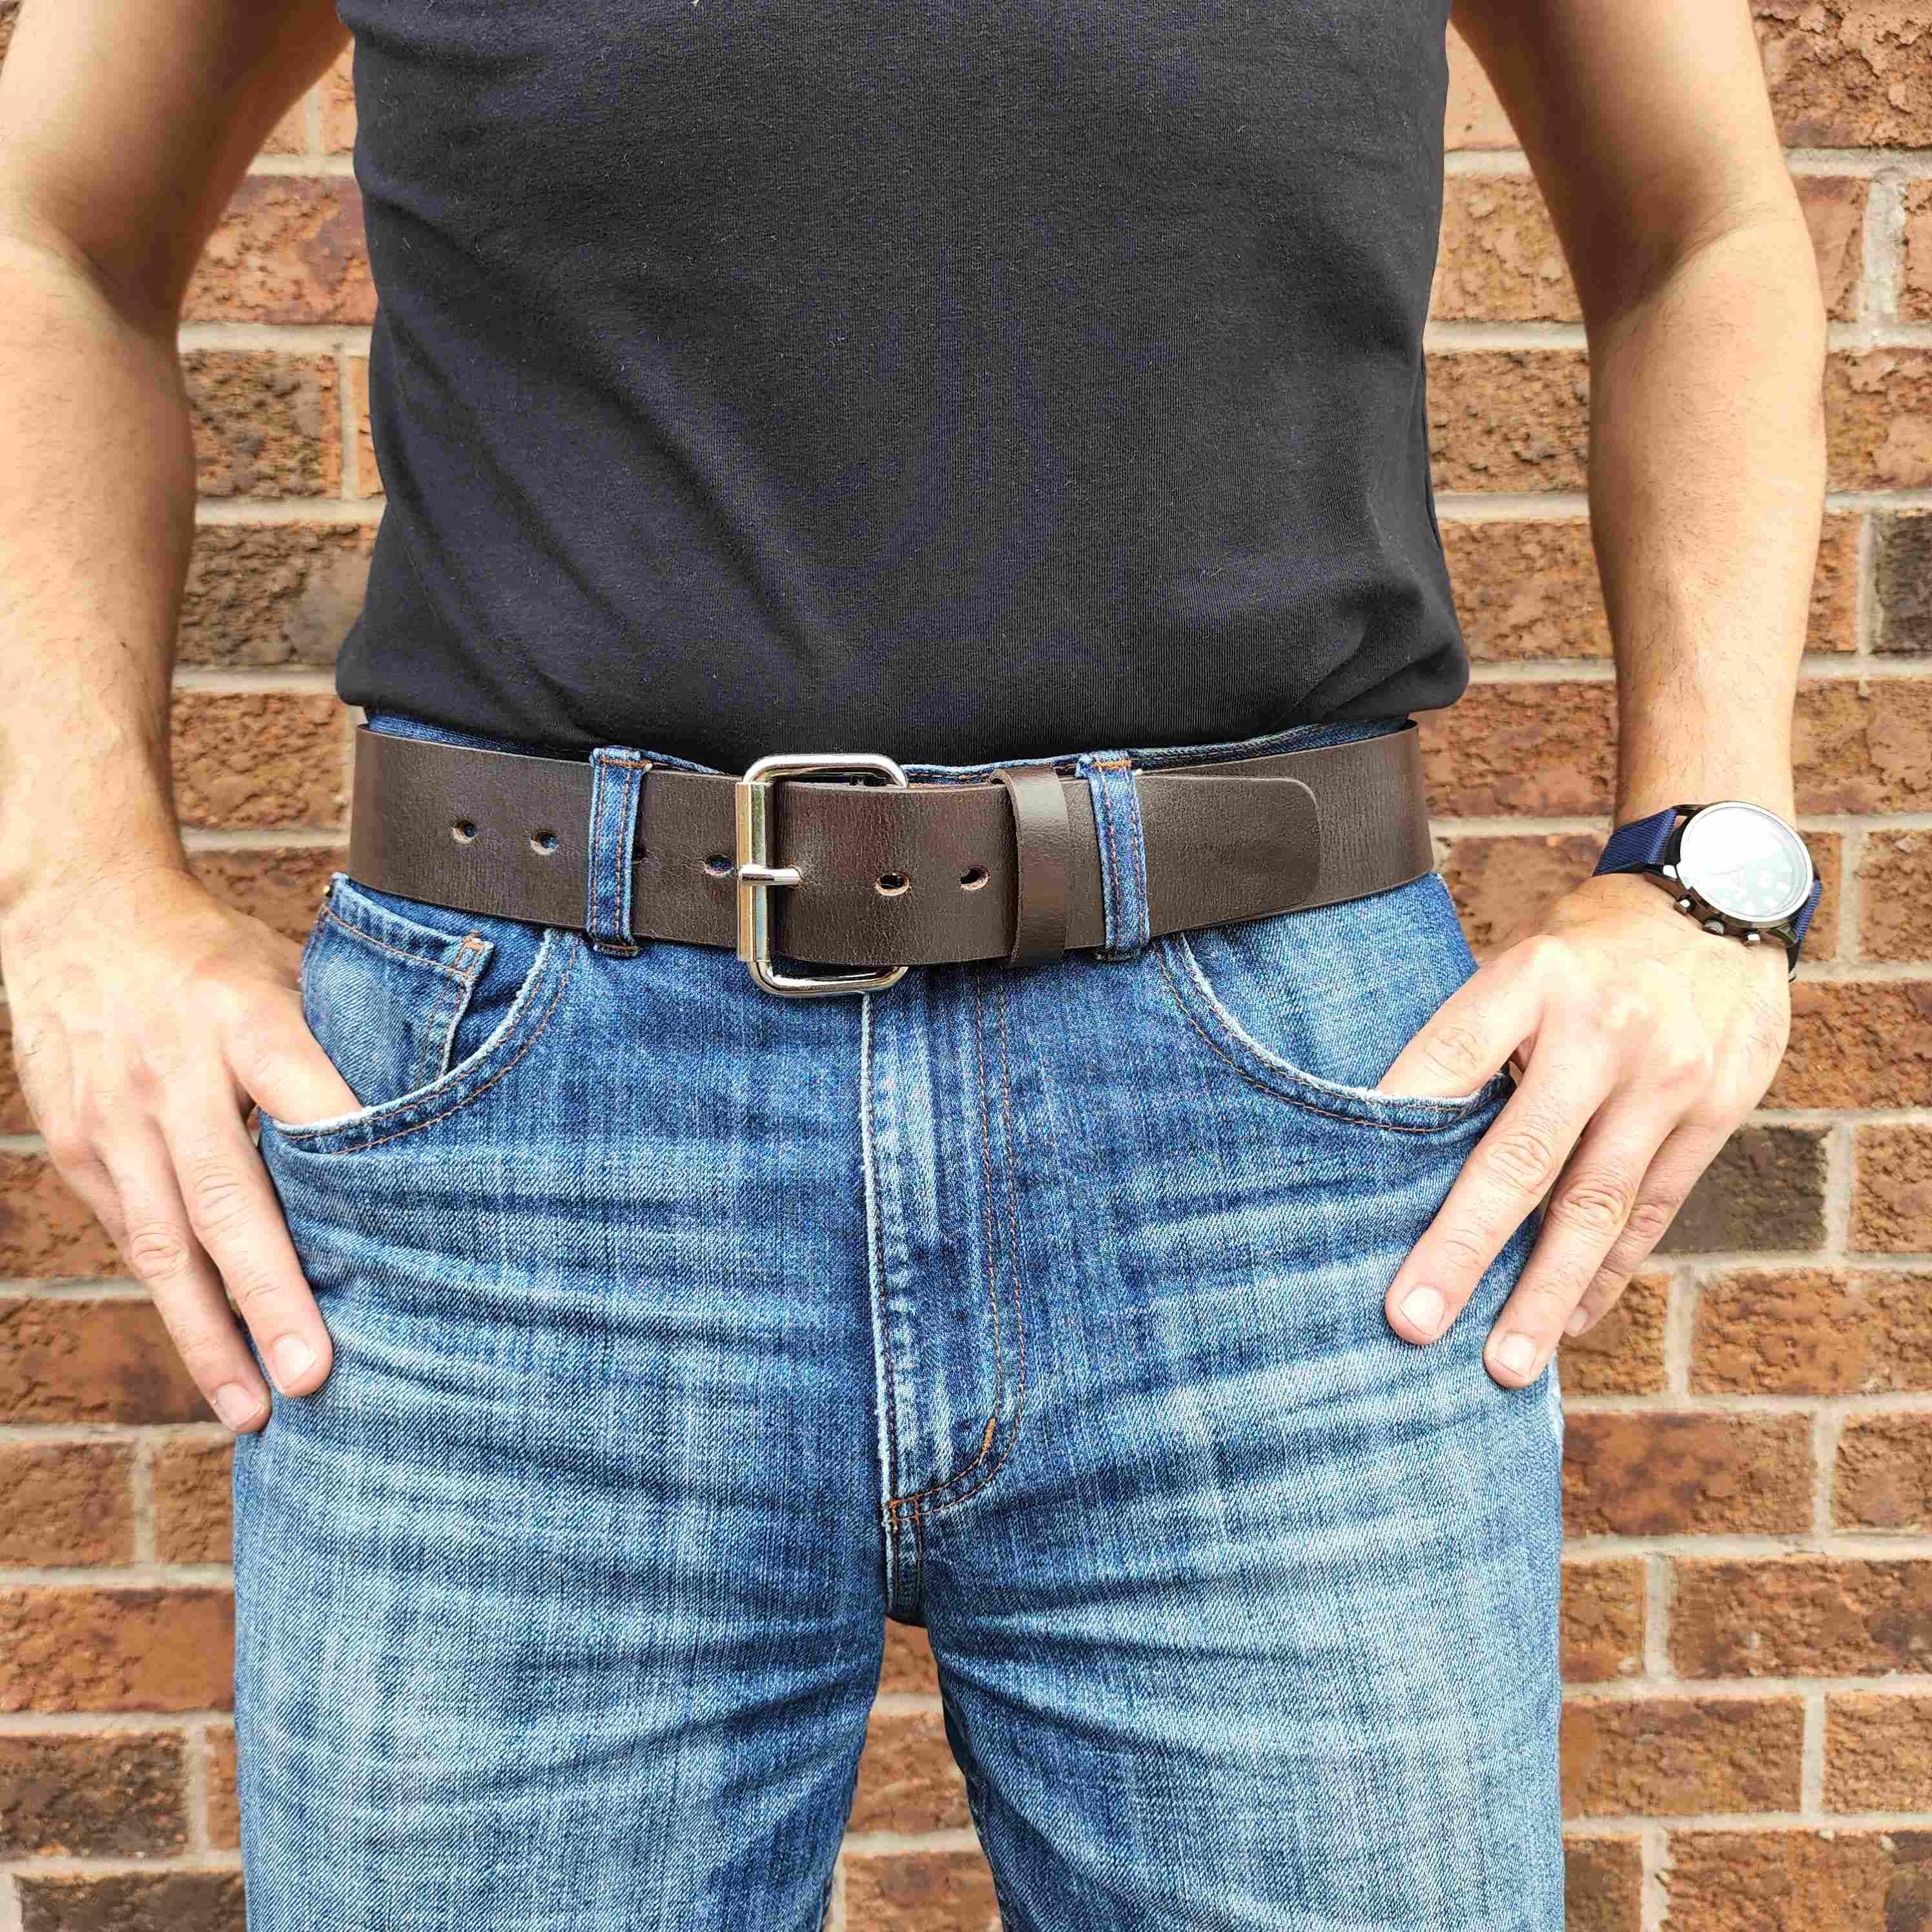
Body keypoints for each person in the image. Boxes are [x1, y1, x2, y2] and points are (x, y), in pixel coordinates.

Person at [0, 0, 1825, 1923]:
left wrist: (1711, 872)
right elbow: (52, 229)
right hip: (528, 1160)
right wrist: (74, 887)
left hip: (1276, 1161)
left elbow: (1698, 226)